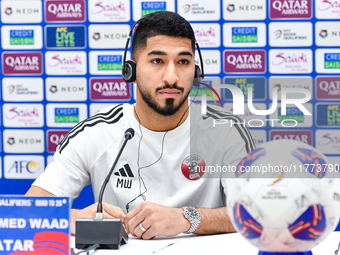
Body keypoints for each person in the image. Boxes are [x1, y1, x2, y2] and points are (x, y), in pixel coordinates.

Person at [26, 11, 255, 240]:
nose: (172, 77)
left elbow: (256, 214)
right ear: (131, 71)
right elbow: (27, 212)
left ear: (196, 71)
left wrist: (187, 218)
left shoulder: (227, 130)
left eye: (183, 62)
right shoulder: (94, 133)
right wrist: (75, 218)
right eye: (157, 61)